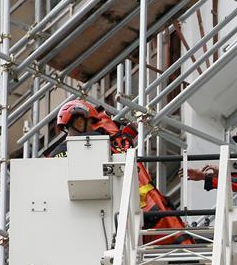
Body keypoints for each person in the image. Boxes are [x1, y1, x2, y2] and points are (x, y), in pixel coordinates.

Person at [50, 100, 192, 246]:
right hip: (110, 213)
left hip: (87, 219)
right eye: (91, 122)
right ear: (79, 122)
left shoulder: (56, 155)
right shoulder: (93, 146)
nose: (93, 127)